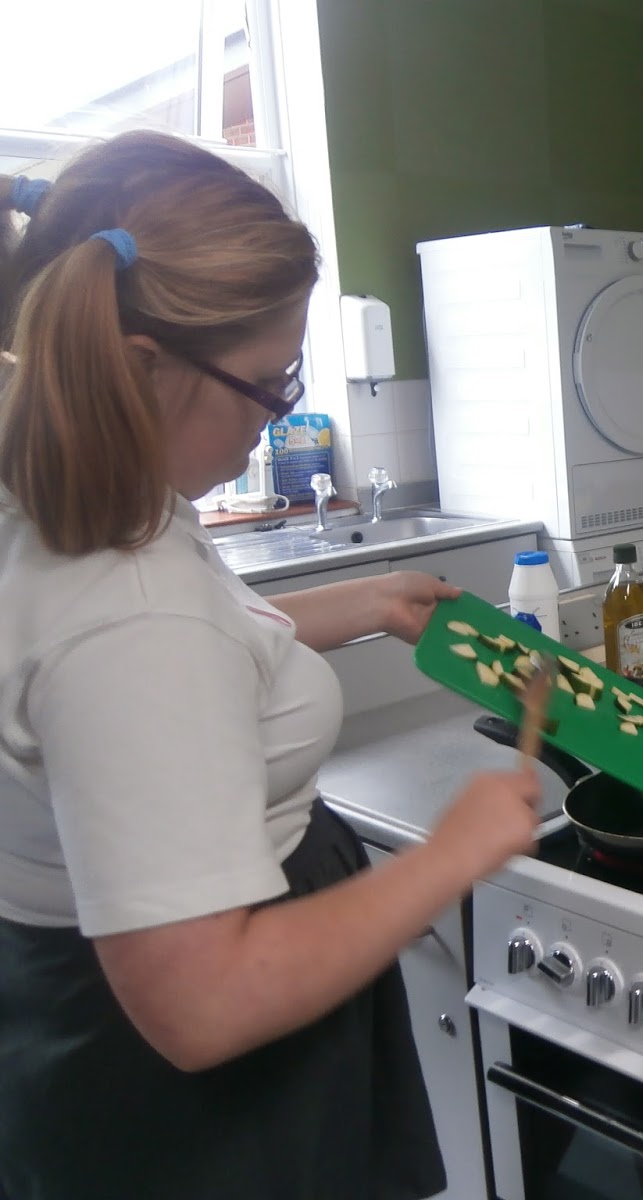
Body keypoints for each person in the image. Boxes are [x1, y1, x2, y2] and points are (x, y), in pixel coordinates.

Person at [0, 132, 545, 1199]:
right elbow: (202, 1006)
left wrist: (360, 603)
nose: (277, 415)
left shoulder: (75, 492)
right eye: (265, 381)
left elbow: (168, 675)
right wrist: (453, 853)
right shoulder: (131, 620)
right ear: (141, 365)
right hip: (188, 1110)